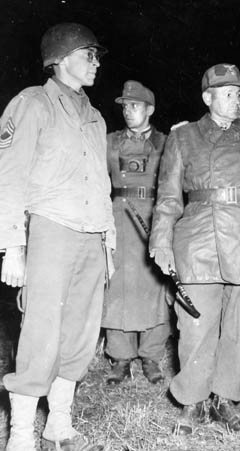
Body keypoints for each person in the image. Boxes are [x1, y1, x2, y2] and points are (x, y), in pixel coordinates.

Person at [0, 23, 114, 451]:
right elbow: (6, 179)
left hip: (90, 237)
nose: (96, 61)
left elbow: (100, 186)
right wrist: (12, 248)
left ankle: (60, 429)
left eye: (97, 55)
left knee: (79, 336)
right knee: (40, 335)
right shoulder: (31, 103)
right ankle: (20, 444)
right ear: (61, 58)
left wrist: (109, 242)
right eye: (89, 53)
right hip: (50, 232)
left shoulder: (95, 116)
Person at [149, 63, 240, 434]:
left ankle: (226, 401)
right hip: (199, 241)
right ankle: (192, 404)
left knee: (238, 327)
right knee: (195, 325)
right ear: (207, 97)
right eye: (226, 92)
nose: (235, 98)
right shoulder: (183, 138)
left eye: (238, 92)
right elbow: (167, 199)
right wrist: (161, 241)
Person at [103, 81, 170, 385]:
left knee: (156, 289)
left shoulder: (167, 142)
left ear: (150, 110)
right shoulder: (110, 142)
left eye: (135, 106)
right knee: (117, 287)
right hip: (119, 216)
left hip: (153, 218)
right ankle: (120, 357)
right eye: (125, 106)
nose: (128, 111)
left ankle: (151, 356)